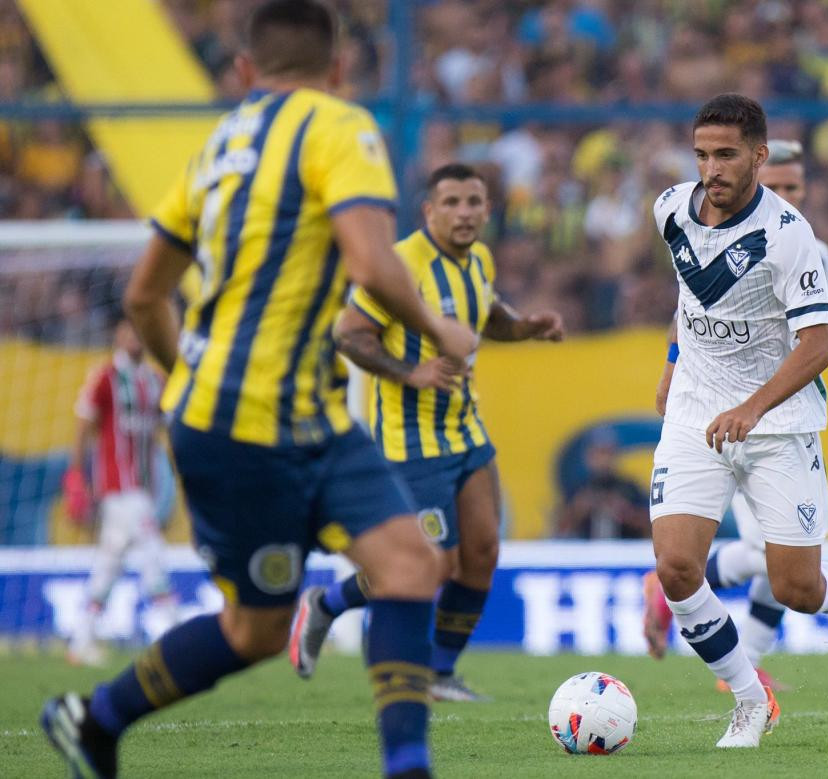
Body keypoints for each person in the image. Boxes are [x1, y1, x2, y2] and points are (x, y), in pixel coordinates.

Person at [40, 3, 476, 778]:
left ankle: (408, 766)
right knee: (254, 630)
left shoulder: (216, 147)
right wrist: (441, 330)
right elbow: (374, 265)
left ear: (244, 72)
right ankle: (95, 717)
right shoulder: (344, 128)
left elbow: (144, 298)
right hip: (249, 433)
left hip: (289, 416)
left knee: (413, 562)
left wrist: (186, 380)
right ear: (338, 69)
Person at [644, 94, 828, 750]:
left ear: (757, 154)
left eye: (725, 154)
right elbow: (690, 294)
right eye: (701, 154)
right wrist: (672, 365)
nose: (711, 168)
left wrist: (753, 406)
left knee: (797, 588)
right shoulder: (670, 208)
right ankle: (751, 701)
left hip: (776, 428)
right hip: (698, 416)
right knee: (674, 566)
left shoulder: (790, 238)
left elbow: (818, 345)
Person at [288, 163, 563, 700]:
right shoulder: (401, 265)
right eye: (453, 202)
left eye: (474, 202)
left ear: (487, 209)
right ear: (429, 211)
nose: (465, 212)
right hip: (410, 442)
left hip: (465, 429)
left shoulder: (478, 259)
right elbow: (349, 335)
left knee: (481, 554)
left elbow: (483, 314)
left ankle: (440, 673)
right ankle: (326, 605)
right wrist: (410, 372)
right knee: (431, 565)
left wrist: (523, 327)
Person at [63, 317, 175, 667]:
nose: (135, 337)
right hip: (117, 487)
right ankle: (171, 635)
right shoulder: (106, 377)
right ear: (118, 335)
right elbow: (84, 422)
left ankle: (81, 639)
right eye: (129, 331)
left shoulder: (154, 380)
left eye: (140, 331)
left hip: (144, 486)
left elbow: (163, 428)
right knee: (152, 552)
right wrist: (77, 473)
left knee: (109, 565)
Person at [555, 428, 650, 540]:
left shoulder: (629, 488)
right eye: (599, 453)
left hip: (623, 549)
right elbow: (559, 530)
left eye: (608, 453)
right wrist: (579, 510)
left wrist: (626, 512)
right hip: (584, 551)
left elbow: (650, 525)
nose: (603, 459)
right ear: (588, 456)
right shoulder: (578, 488)